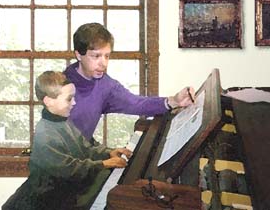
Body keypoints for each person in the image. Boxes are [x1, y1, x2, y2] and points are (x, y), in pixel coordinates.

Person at [2, 71, 132, 210]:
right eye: (69, 99)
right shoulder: (45, 134)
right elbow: (70, 169)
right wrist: (104, 164)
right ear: (49, 101)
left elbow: (85, 148)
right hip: (39, 203)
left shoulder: (63, 121)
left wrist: (109, 152)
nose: (74, 103)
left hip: (58, 195)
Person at [64, 22, 195, 141]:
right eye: (96, 56)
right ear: (78, 55)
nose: (103, 63)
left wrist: (174, 101)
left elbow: (136, 103)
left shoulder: (105, 85)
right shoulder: (61, 86)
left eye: (107, 56)